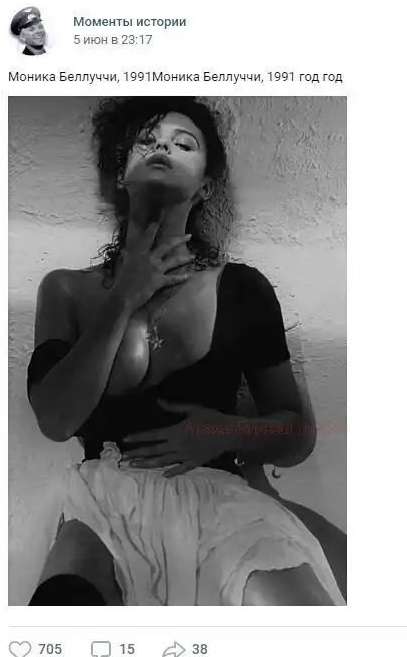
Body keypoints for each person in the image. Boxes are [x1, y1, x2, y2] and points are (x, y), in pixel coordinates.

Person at [26, 96, 346, 606]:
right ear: (121, 174)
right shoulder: (65, 289)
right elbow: (56, 420)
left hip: (222, 500)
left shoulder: (242, 288)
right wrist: (124, 297)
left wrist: (222, 432)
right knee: (65, 606)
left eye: (184, 144)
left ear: (205, 185)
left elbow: (297, 435)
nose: (163, 149)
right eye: (147, 141)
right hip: (103, 502)